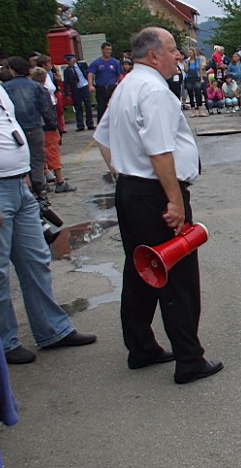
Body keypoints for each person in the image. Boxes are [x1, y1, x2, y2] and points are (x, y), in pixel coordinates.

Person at [94, 26, 223, 384]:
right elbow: (160, 151)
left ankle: (141, 347)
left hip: (132, 190)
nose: (178, 54)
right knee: (177, 276)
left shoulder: (126, 85)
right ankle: (189, 359)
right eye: (171, 48)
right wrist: (174, 200)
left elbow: (103, 138)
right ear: (153, 56)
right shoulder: (153, 90)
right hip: (156, 193)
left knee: (140, 270)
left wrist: (123, 173)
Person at [0, 20, 96, 365]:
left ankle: (52, 329)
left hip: (16, 184)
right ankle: (2, 343)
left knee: (36, 260)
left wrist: (24, 176)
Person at [2, 57, 57, 200]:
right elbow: (45, 108)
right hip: (34, 126)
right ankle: (40, 189)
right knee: (37, 159)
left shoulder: (5, 88)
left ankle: (26, 189)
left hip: (15, 130)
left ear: (12, 69)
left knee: (20, 159)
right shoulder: (35, 86)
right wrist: (52, 124)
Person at [29, 68, 76, 193]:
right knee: (53, 151)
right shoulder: (43, 92)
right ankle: (60, 181)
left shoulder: (29, 91)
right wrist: (55, 125)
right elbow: (47, 111)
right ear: (45, 78)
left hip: (35, 126)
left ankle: (44, 179)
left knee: (39, 154)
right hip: (47, 126)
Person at [87, 41, 123, 123]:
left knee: (114, 107)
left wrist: (122, 86)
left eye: (110, 49)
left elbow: (119, 75)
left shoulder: (115, 62)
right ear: (102, 50)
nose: (109, 51)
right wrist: (90, 85)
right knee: (101, 108)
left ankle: (115, 124)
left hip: (112, 88)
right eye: (107, 49)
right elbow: (90, 73)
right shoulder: (97, 62)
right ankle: (101, 124)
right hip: (101, 89)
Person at [62, 54, 95, 131]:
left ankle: (90, 123)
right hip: (76, 89)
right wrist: (67, 93)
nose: (68, 63)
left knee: (88, 105)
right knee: (78, 107)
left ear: (73, 60)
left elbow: (89, 74)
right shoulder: (67, 71)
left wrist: (91, 84)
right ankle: (80, 125)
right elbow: (66, 83)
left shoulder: (82, 65)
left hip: (84, 86)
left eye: (69, 61)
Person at [184, 49, 207, 118]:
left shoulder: (198, 60)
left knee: (198, 93)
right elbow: (186, 70)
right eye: (188, 53)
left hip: (197, 77)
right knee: (191, 94)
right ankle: (193, 111)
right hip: (189, 78)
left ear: (193, 53)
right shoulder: (186, 61)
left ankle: (200, 111)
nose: (189, 54)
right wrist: (187, 63)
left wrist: (201, 78)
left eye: (190, 53)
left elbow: (200, 69)